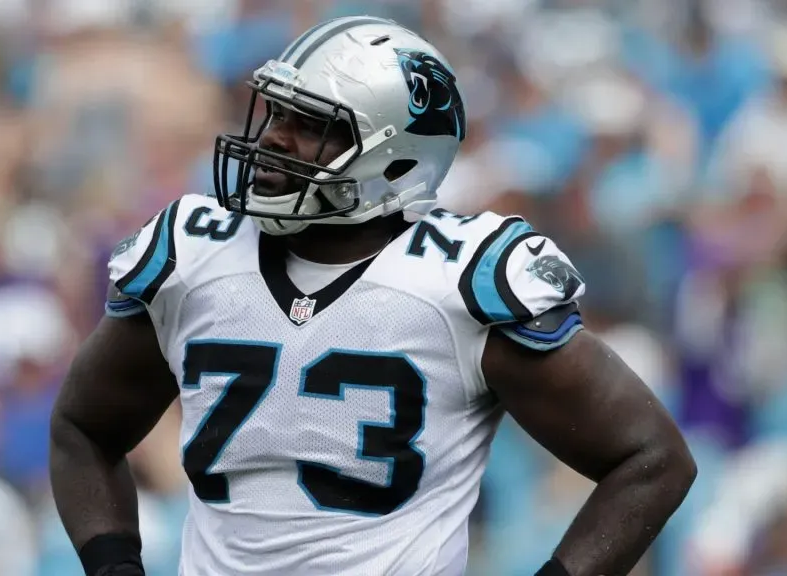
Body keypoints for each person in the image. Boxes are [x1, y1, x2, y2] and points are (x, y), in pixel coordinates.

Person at [49, 16, 697, 576]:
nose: (273, 137)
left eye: (310, 125)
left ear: (395, 159)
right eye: (276, 111)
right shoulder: (196, 252)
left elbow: (651, 458)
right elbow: (83, 427)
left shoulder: (459, 280)